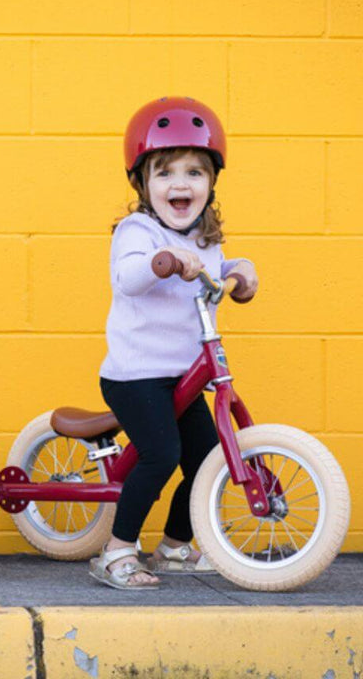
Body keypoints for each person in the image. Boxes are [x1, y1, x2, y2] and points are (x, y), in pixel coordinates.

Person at [89, 96, 258, 590]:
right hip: (135, 374)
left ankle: (174, 546)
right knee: (159, 455)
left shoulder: (206, 236)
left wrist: (238, 271)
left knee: (207, 462)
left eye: (194, 173)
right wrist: (160, 261)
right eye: (164, 173)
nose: (180, 184)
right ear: (142, 183)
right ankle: (116, 550)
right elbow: (129, 277)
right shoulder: (136, 231)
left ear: (211, 183)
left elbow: (215, 269)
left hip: (182, 374)